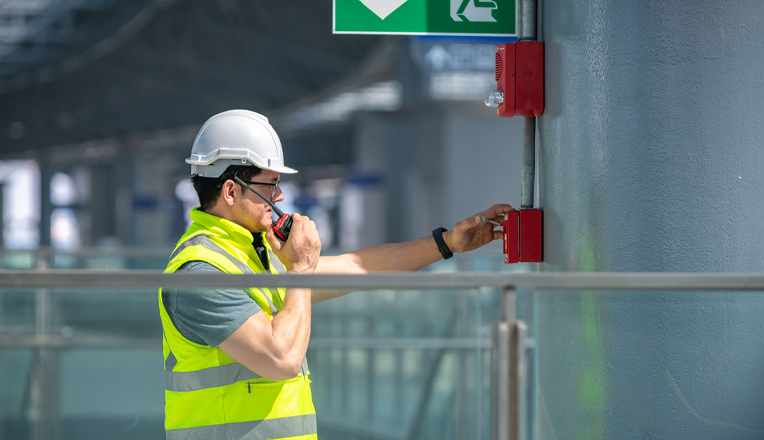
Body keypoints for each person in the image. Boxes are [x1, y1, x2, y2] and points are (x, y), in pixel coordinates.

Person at [159, 109, 514, 440]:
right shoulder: (200, 273)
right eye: (269, 184)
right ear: (231, 191)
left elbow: (357, 266)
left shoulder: (253, 256)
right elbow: (281, 359)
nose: (280, 196)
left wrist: (447, 243)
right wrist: (299, 268)